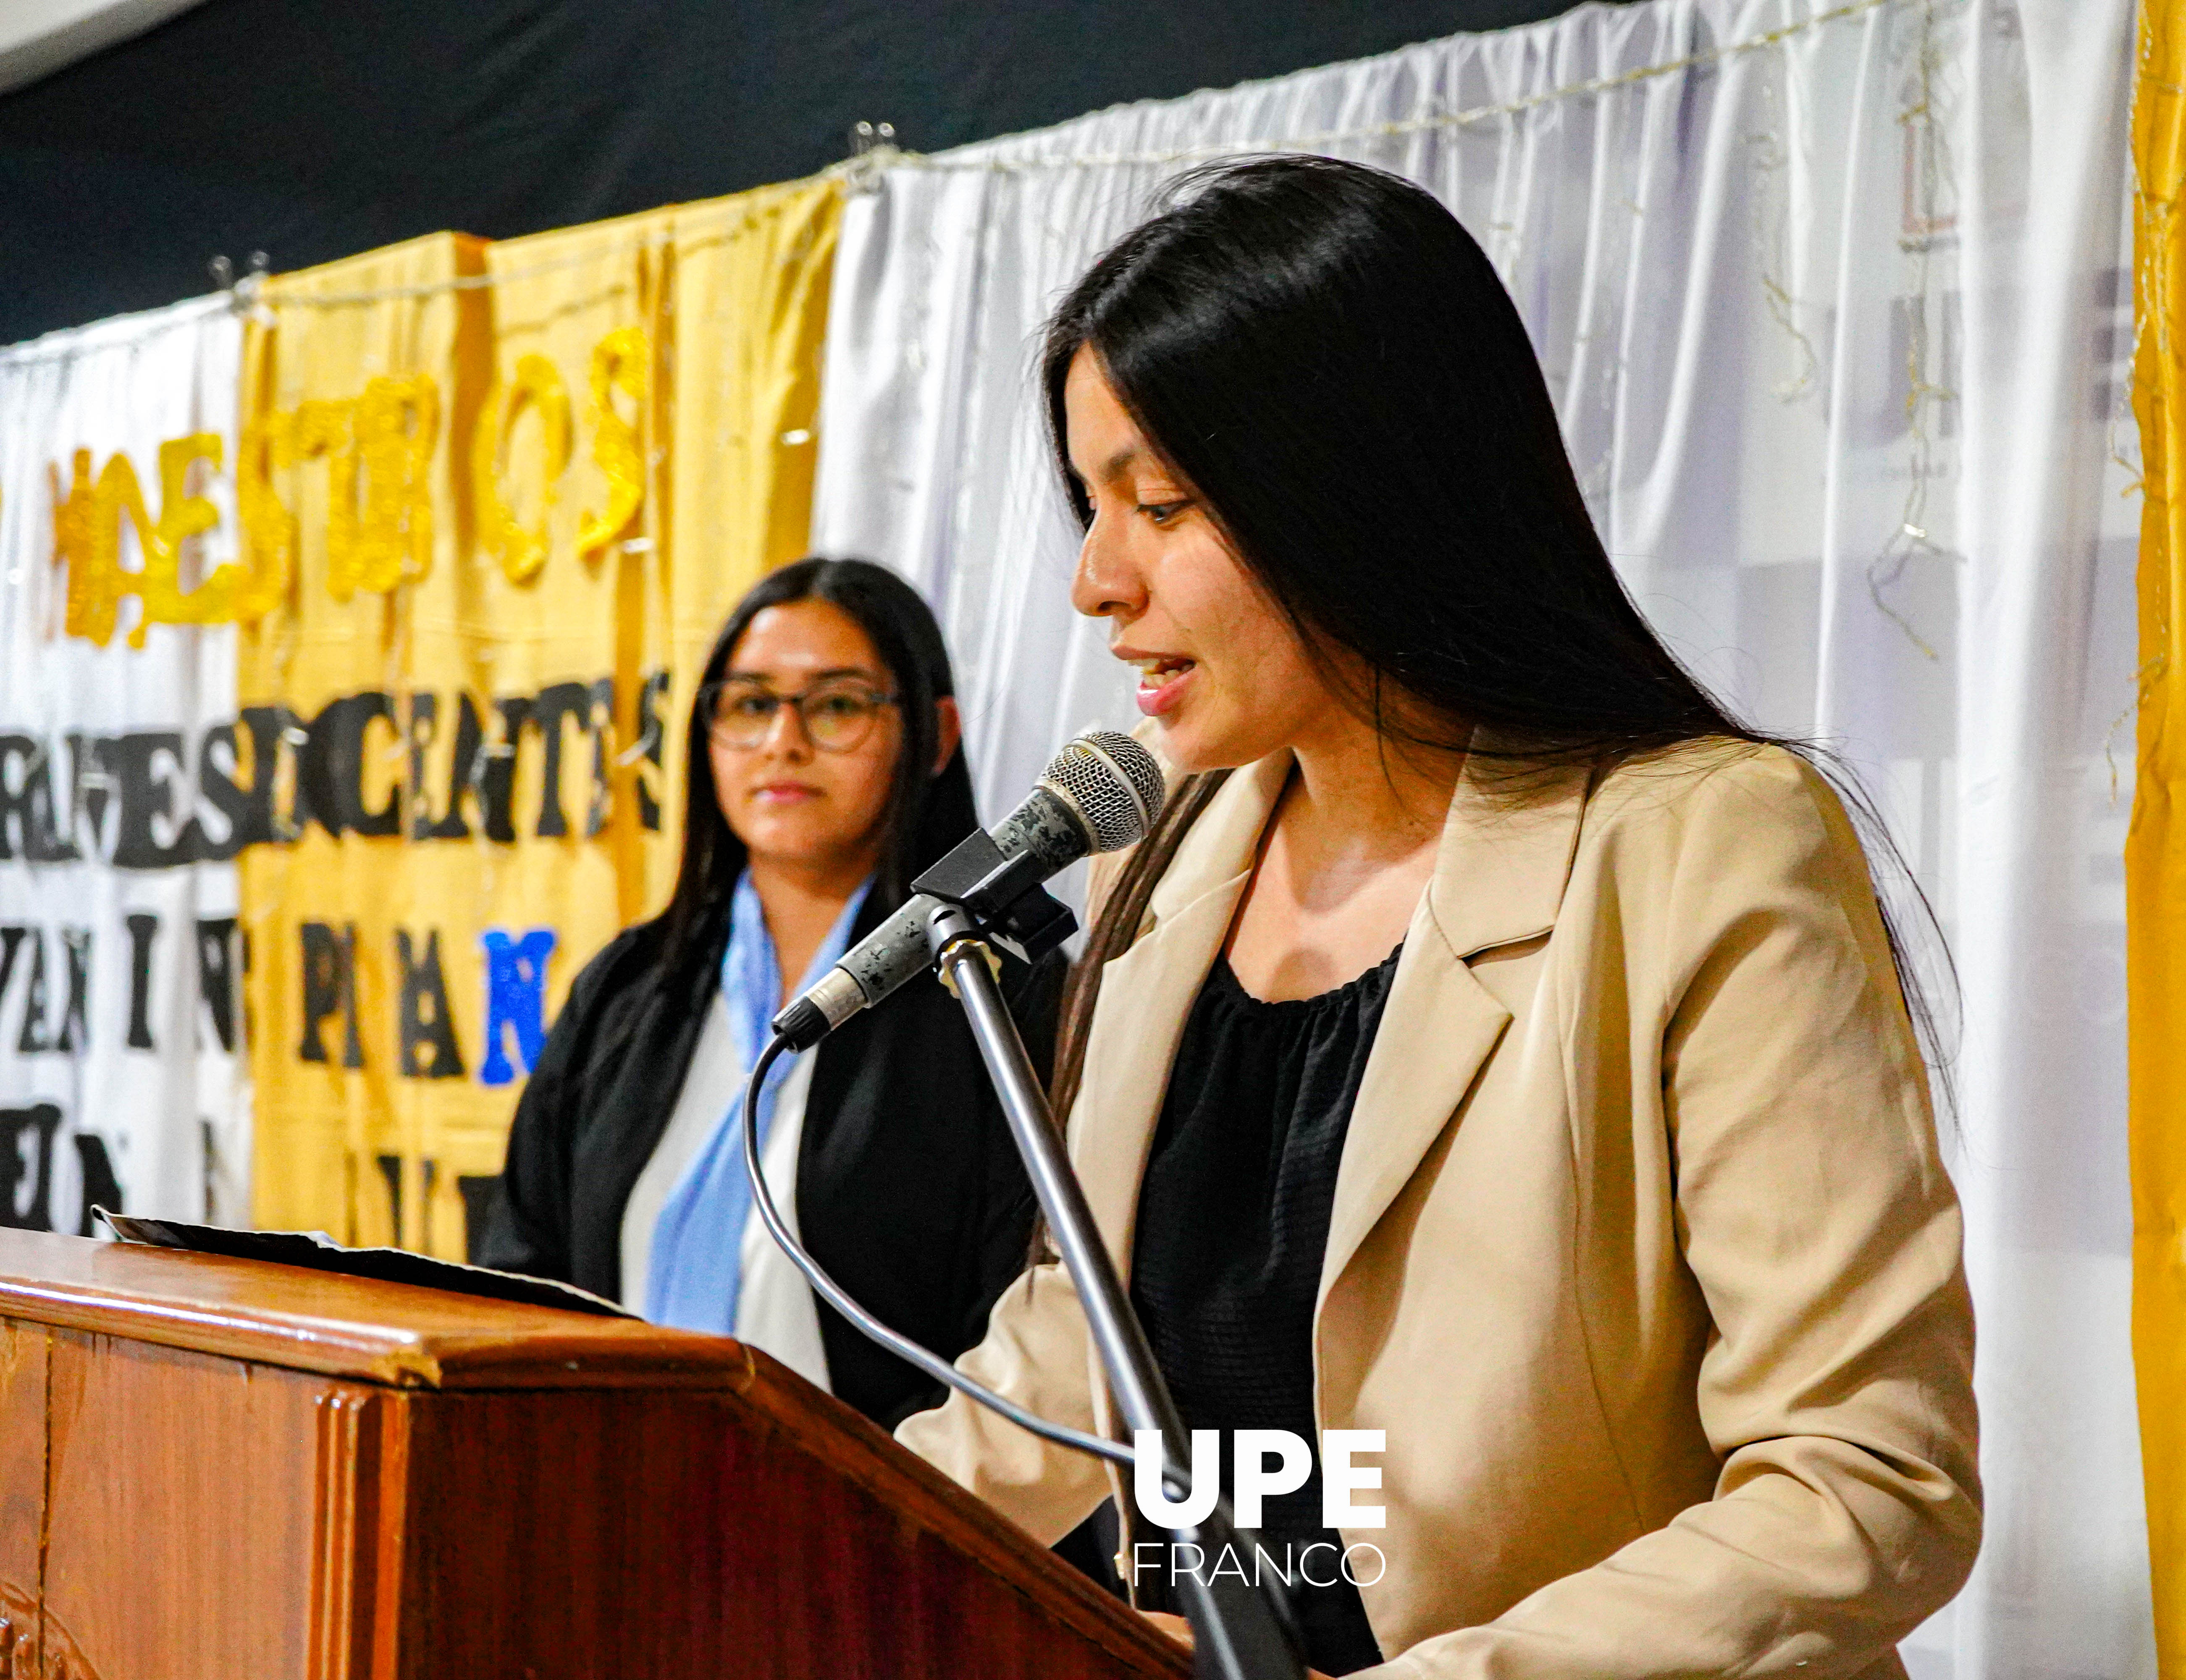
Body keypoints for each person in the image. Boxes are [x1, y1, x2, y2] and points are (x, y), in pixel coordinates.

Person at [896, 158, 1979, 1678]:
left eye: (1161, 502)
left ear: (1356, 490)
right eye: (1092, 505)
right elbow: (1073, 1362)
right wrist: (776, 1534)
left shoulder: (1699, 843)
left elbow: (1865, 1487)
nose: (1095, 579)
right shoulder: (1172, 849)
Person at [479, 556, 1059, 1431]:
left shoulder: (994, 994)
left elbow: (1025, 1336)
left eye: (836, 704)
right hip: (604, 1502)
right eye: (751, 704)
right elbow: (521, 1266)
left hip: (884, 1526)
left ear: (935, 737)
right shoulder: (632, 986)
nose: (783, 740)